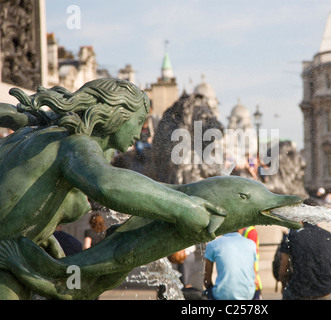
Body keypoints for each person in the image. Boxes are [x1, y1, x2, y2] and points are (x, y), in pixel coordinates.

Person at [0, 78, 224, 298]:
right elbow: (108, 184)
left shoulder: (54, 133)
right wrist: (185, 208)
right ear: (118, 116)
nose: (138, 134)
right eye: (137, 123)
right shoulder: (76, 145)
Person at [278, 198, 331, 300]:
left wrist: (283, 285)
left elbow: (283, 270)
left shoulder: (291, 237)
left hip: (298, 291)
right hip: (325, 292)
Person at [203, 232, 257, 300]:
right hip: (248, 294)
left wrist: (209, 286)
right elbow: (253, 272)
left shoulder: (213, 244)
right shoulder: (251, 244)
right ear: (240, 229)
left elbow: (206, 279)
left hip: (222, 295)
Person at [239, 226, 262, 299]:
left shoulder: (242, 230)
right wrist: (254, 276)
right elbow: (251, 255)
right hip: (251, 279)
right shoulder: (251, 232)